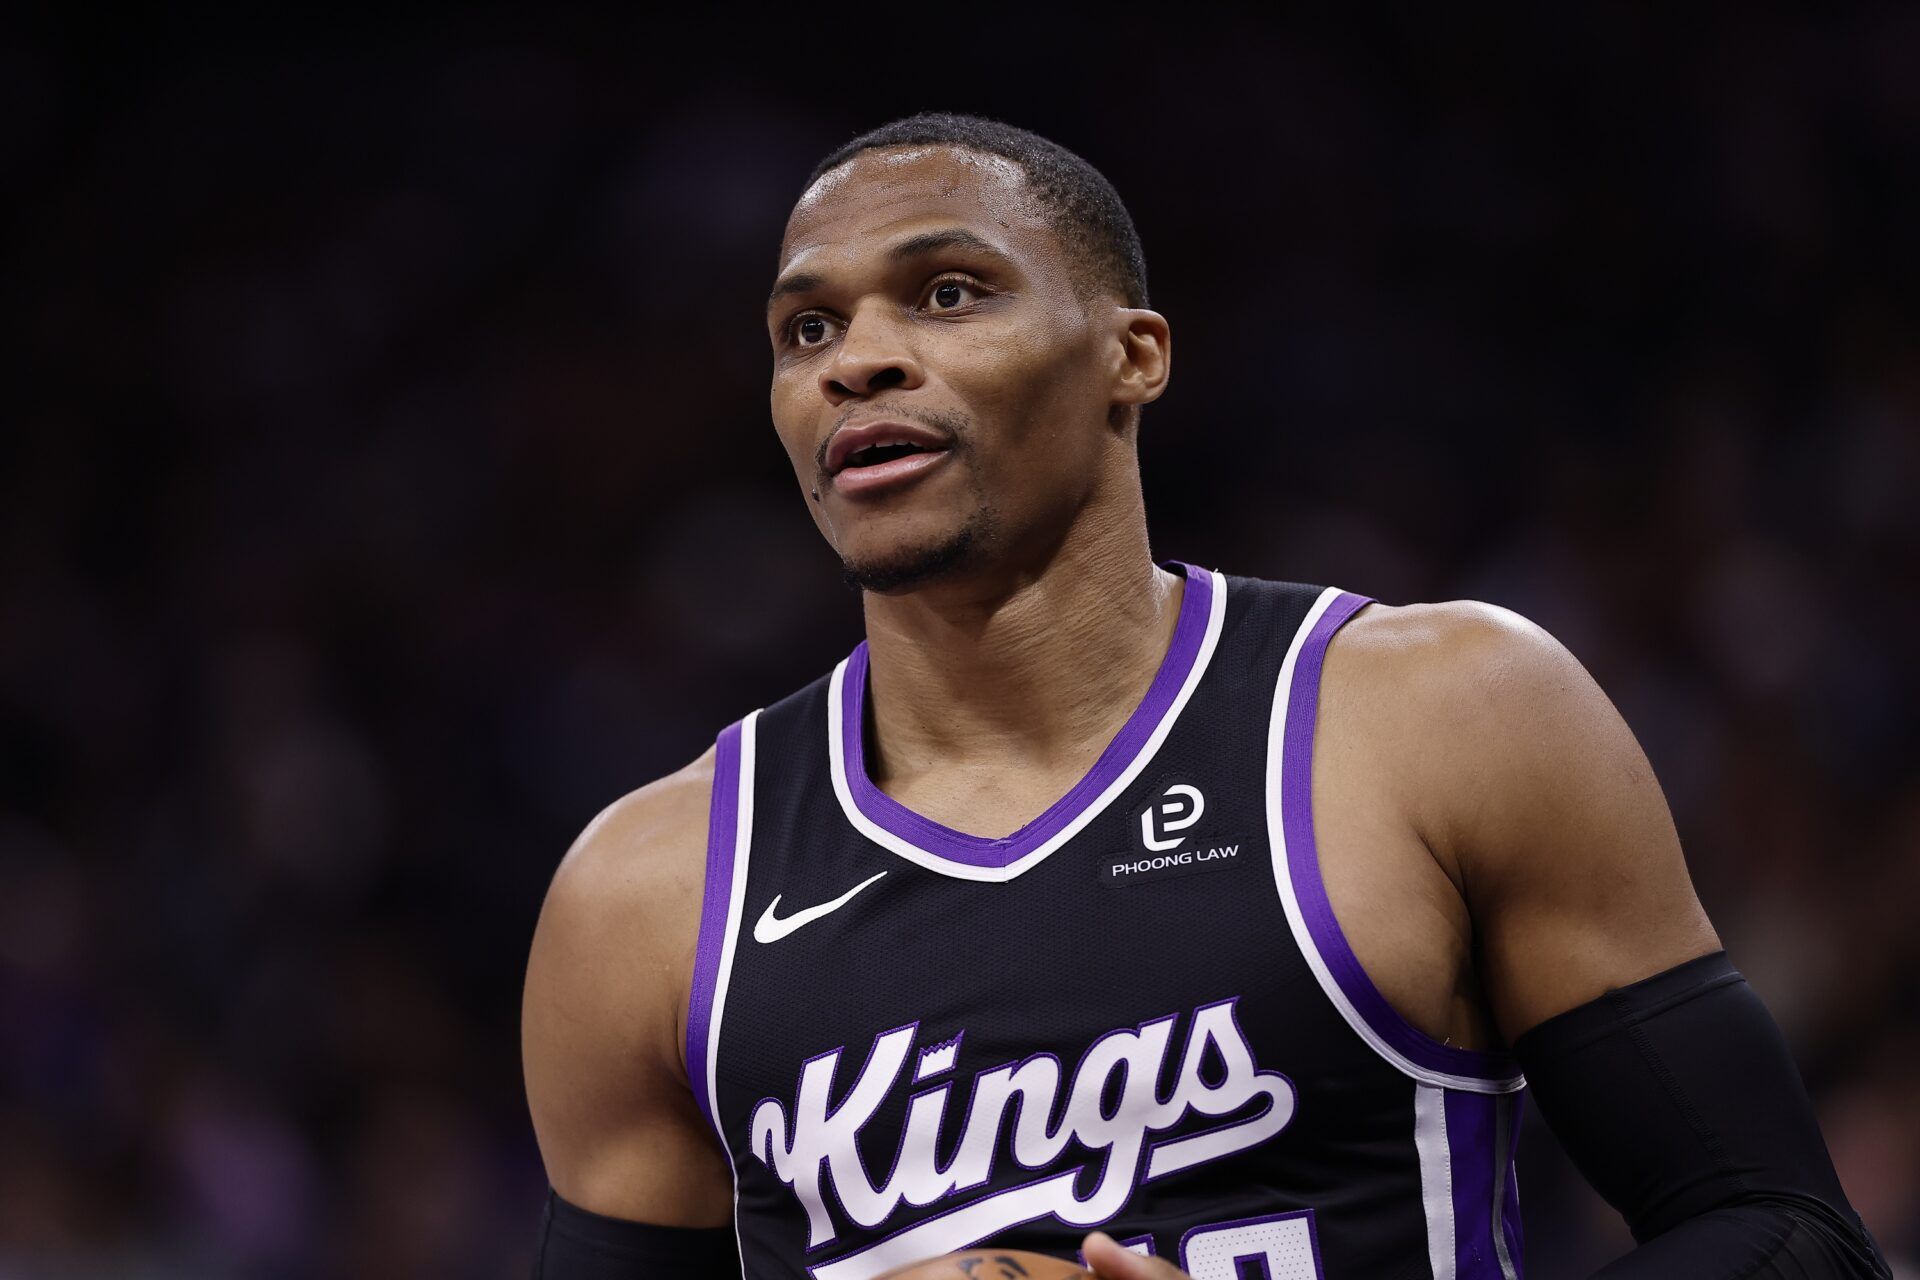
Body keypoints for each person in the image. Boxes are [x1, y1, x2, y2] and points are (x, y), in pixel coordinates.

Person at [519, 112, 1889, 1280]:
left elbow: (1788, 1237)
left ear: (1135, 356)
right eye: (804, 326)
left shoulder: (1438, 713)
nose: (853, 359)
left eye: (948, 293)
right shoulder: (648, 891)